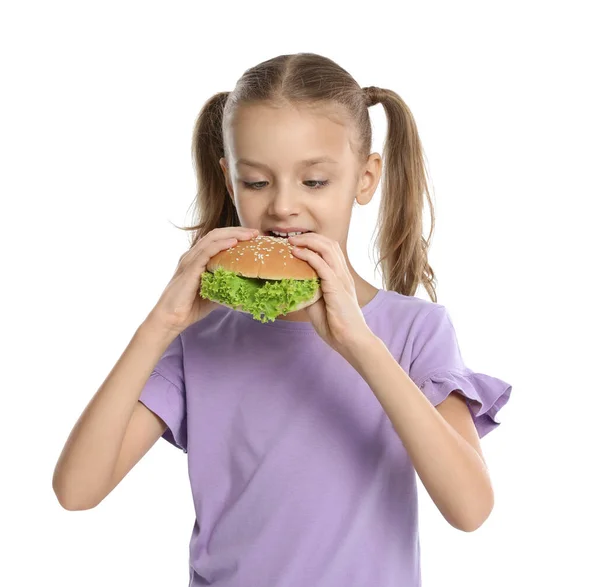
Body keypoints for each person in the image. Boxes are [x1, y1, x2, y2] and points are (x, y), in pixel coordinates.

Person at [52, 52, 513, 586]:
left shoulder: (414, 330)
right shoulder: (200, 340)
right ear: (229, 181)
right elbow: (76, 492)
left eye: (314, 181)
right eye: (256, 182)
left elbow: (470, 509)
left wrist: (359, 345)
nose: (283, 208)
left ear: (365, 179)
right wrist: (160, 325)